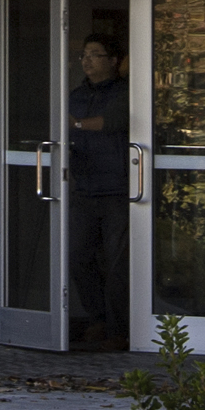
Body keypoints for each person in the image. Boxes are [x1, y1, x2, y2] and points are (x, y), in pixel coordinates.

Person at [66, 33, 131, 350]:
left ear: (113, 60)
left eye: (94, 54)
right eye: (83, 55)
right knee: (78, 257)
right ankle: (99, 319)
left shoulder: (126, 92)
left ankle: (120, 330)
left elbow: (114, 122)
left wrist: (75, 125)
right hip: (85, 189)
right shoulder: (76, 96)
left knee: (119, 264)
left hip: (118, 188)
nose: (86, 60)